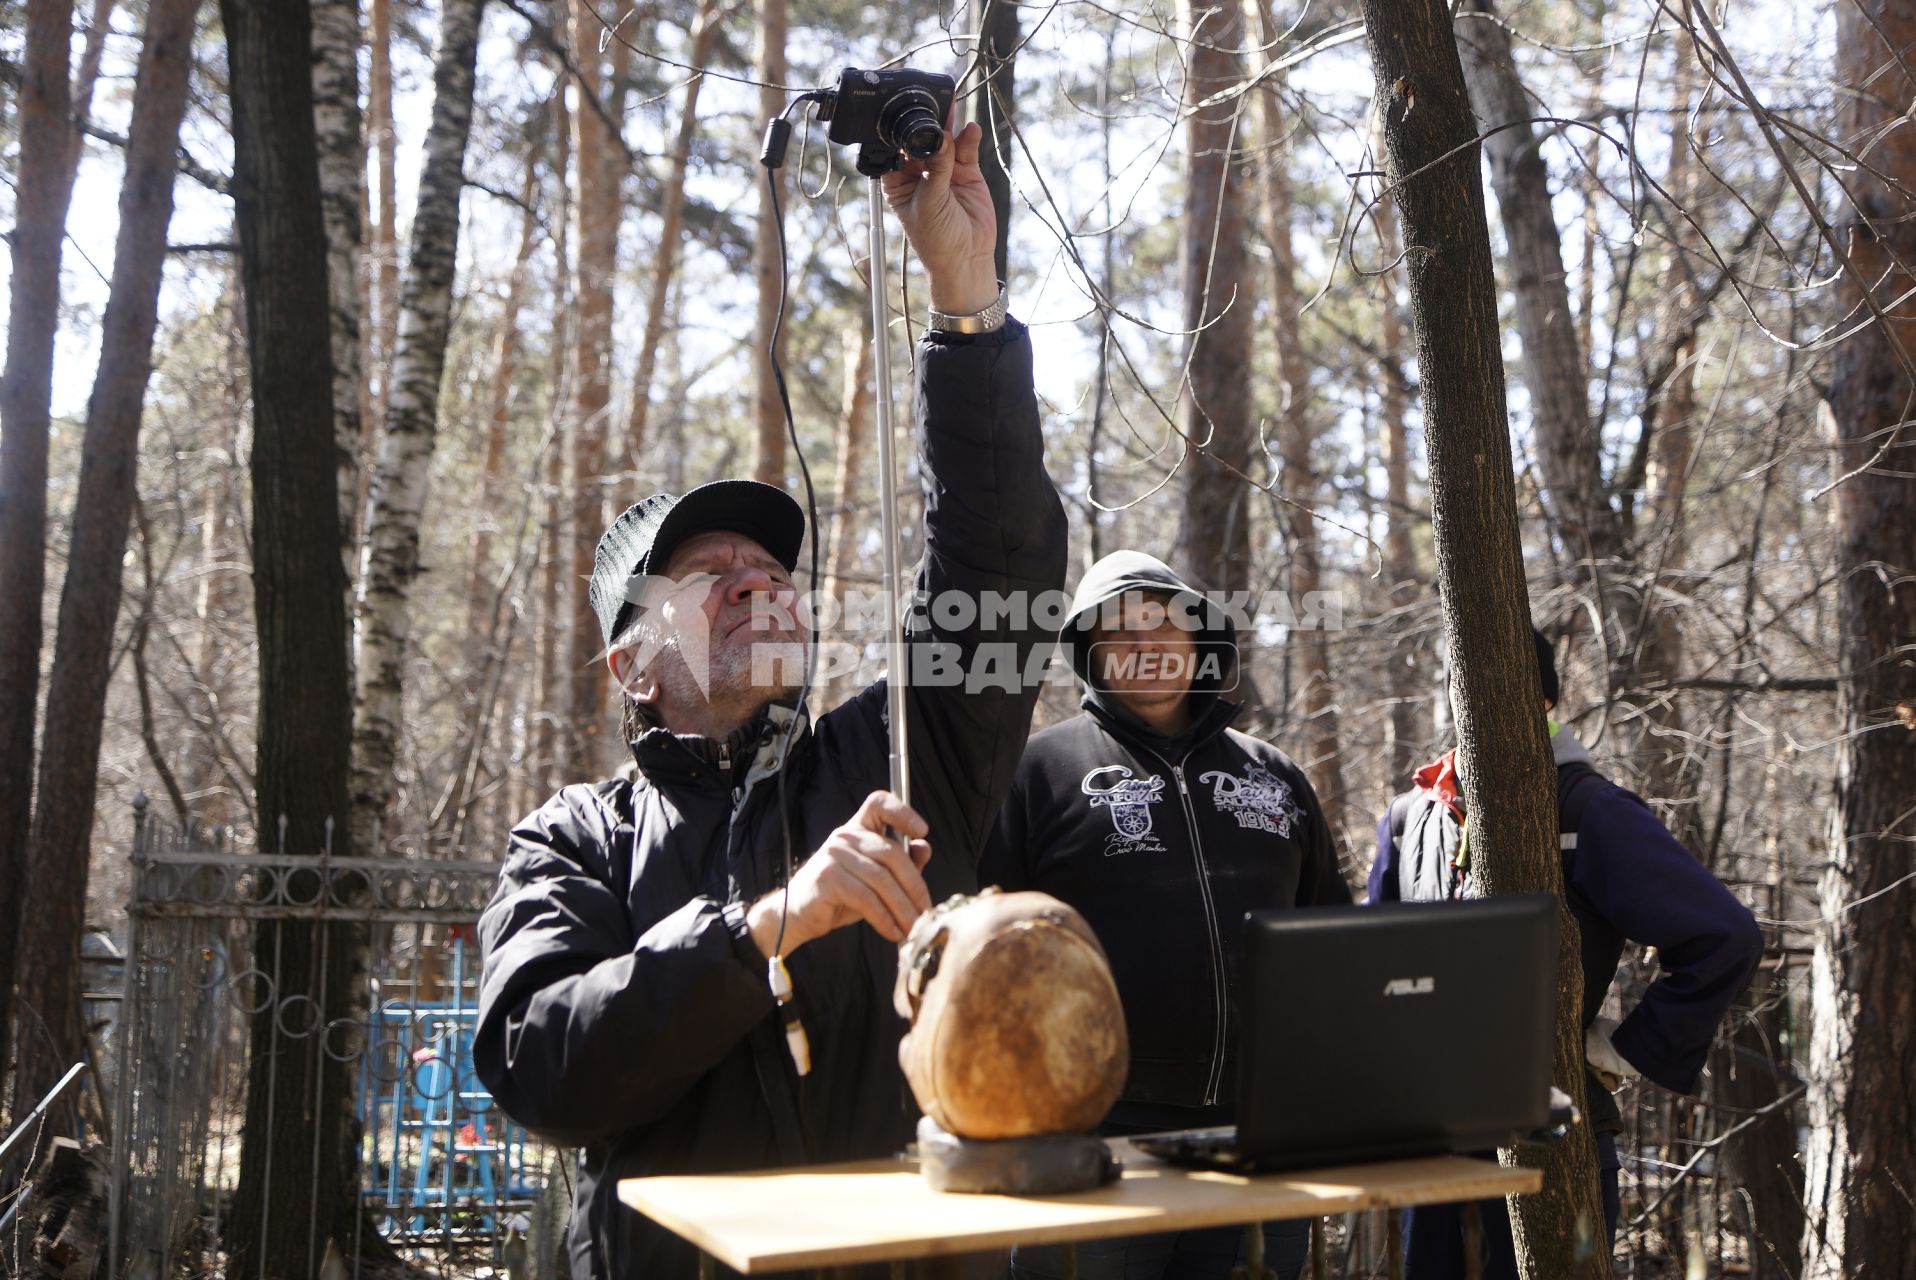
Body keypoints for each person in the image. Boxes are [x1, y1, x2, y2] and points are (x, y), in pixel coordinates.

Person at [473, 119, 1068, 1280]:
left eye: (769, 569)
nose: (755, 580)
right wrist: (773, 923)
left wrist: (962, 297)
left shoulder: (896, 756)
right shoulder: (572, 843)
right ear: (630, 665)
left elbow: (995, 580)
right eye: (705, 576)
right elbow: (544, 1066)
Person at [981, 550, 1351, 1280]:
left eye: (1161, 622)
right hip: (1091, 1140)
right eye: (1118, 631)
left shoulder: (1272, 775)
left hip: (1259, 1138)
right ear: (1090, 653)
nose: (1144, 645)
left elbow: (1333, 946)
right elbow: (989, 960)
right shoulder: (1033, 776)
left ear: (1197, 638)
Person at [1369, 627, 1763, 1279]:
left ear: (1546, 702)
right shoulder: (1412, 818)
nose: (1482, 701)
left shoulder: (1587, 808)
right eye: (1467, 685)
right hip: (1431, 1150)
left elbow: (1726, 936)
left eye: (1510, 688)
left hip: (1553, 1142)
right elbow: (1369, 968)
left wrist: (1626, 1049)